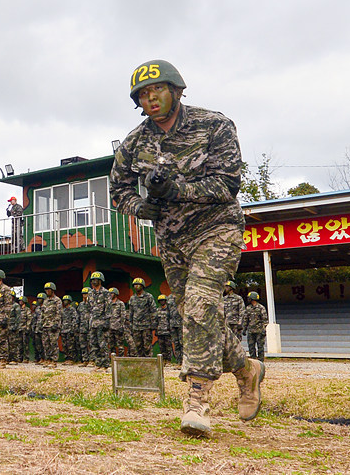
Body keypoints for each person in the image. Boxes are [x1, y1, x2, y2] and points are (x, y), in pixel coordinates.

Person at [111, 59, 264, 436]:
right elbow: (119, 189)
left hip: (216, 229)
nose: (151, 100)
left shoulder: (214, 125)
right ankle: (247, 370)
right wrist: (140, 206)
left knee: (199, 304)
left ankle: (197, 401)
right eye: (143, 95)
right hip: (173, 240)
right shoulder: (133, 143)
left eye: (157, 90)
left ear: (176, 90)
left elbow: (227, 185)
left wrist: (175, 189)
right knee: (199, 315)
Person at [128, 278, 156, 357]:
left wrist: (153, 324)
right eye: (135, 285)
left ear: (142, 286)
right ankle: (141, 364)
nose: (136, 286)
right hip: (136, 327)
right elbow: (130, 312)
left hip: (146, 326)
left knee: (147, 346)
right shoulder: (132, 298)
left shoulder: (148, 297)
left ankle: (149, 363)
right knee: (138, 346)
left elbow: (153, 311)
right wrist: (130, 324)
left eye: (138, 285)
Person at [87, 272, 110, 369]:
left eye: (96, 279)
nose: (94, 281)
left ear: (100, 280)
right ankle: (97, 364)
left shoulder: (105, 292)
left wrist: (107, 322)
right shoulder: (90, 293)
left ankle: (104, 365)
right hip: (93, 323)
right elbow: (89, 308)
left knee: (103, 344)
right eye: (92, 280)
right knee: (94, 344)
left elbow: (108, 308)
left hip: (102, 322)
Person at [41, 282, 62, 368]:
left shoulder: (57, 300)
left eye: (48, 289)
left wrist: (56, 324)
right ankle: (48, 359)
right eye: (46, 290)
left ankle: (54, 361)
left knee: (53, 343)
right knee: (46, 344)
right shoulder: (45, 301)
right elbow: (43, 313)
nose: (47, 291)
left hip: (53, 325)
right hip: (45, 325)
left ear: (53, 290)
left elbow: (59, 313)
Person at [244, 292, 268, 362]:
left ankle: (260, 361)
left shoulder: (261, 308)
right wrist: (244, 329)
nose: (248, 299)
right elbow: (246, 319)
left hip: (259, 331)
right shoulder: (248, 308)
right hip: (251, 331)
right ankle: (253, 361)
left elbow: (265, 320)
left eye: (249, 298)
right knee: (251, 347)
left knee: (260, 347)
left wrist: (264, 329)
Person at [154, 294, 174, 364]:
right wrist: (156, 330)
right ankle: (163, 361)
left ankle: (169, 361)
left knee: (168, 347)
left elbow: (171, 320)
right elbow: (156, 321)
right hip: (160, 332)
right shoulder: (157, 310)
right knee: (162, 347)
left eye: (163, 300)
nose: (162, 302)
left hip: (167, 332)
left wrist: (171, 330)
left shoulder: (169, 310)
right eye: (160, 301)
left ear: (165, 301)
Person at [60, 295, 78, 363]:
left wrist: (73, 329)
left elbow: (75, 319)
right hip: (63, 330)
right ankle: (66, 358)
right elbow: (61, 320)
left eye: (66, 300)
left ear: (69, 301)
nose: (64, 302)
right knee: (64, 345)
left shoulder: (72, 309)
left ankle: (71, 359)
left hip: (70, 330)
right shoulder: (63, 310)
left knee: (70, 345)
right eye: (64, 300)